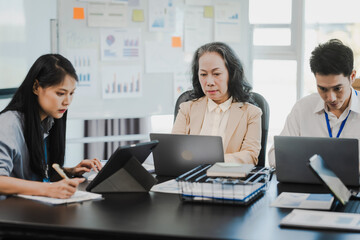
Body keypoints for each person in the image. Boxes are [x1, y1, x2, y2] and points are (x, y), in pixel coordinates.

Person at [0, 54, 102, 199]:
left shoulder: (48, 121)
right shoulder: (8, 123)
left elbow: (32, 174)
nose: (67, 101)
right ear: (36, 87)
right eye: (61, 93)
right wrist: (47, 189)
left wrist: (69, 171)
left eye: (71, 93)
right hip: (10, 214)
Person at [268, 39, 360, 168]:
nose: (330, 98)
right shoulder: (303, 108)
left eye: (337, 88)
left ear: (352, 76)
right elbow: (275, 156)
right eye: (323, 89)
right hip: (309, 184)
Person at [172, 42, 262, 165]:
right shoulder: (186, 108)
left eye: (216, 74)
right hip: (190, 179)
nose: (209, 82)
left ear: (231, 74)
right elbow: (174, 150)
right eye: (203, 74)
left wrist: (210, 160)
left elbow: (250, 156)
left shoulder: (251, 113)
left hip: (230, 180)